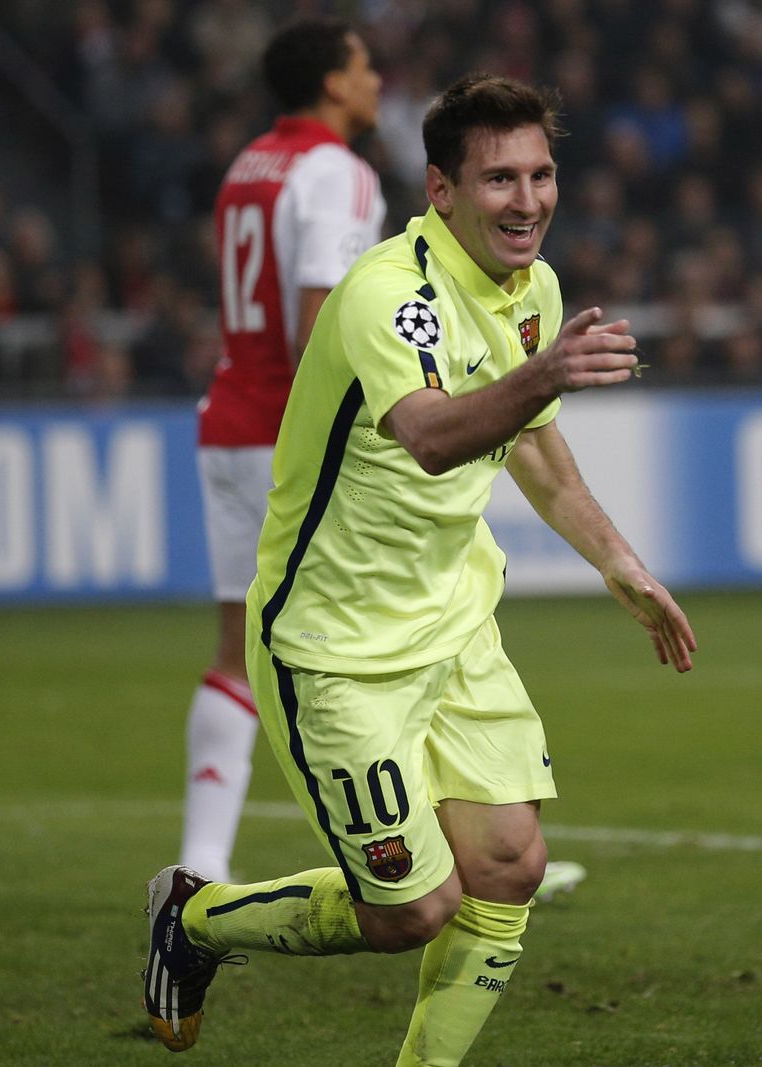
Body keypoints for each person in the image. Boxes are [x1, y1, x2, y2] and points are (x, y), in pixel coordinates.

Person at [145, 74, 697, 1062]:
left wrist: (619, 560)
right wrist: (541, 374)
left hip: (452, 628)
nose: (525, 199)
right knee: (412, 909)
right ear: (441, 190)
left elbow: (531, 444)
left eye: (539, 174)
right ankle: (193, 922)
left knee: (509, 865)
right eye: (497, 179)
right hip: (335, 645)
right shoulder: (387, 293)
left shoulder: (535, 293)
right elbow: (433, 437)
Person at [179, 18, 386, 882]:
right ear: (334, 83)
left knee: (238, 653)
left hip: (228, 423)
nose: (376, 79)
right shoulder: (337, 172)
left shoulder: (250, 165)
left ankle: (196, 869)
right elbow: (320, 328)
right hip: (292, 440)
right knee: (383, 639)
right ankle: (436, 856)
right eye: (365, 65)